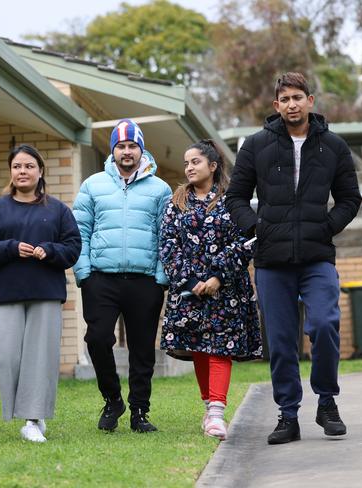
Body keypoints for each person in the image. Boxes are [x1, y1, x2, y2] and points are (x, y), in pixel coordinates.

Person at [225, 72, 362, 444]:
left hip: (317, 257)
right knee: (283, 341)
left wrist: (325, 227)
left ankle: (327, 401)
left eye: (298, 97)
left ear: (310, 101)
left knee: (323, 324)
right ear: (276, 106)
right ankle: (287, 415)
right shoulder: (256, 145)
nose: (292, 104)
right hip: (272, 260)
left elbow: (351, 198)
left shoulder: (333, 146)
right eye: (284, 99)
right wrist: (256, 228)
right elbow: (235, 197)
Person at [0, 144, 81, 443]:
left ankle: (32, 418)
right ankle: (25, 412)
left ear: (40, 171)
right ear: (11, 172)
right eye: (17, 166)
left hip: (45, 293)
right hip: (5, 294)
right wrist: (9, 247)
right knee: (6, 357)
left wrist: (50, 251)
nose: (23, 171)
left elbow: (73, 248)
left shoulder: (58, 210)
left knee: (40, 357)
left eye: (29, 166)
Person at [159, 139, 263, 440]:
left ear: (213, 166)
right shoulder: (176, 202)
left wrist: (218, 276)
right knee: (198, 350)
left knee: (220, 349)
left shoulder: (234, 200)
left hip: (226, 290)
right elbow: (168, 245)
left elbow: (247, 241)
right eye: (187, 162)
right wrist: (190, 281)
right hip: (188, 290)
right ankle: (209, 406)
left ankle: (217, 412)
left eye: (196, 162)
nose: (189, 167)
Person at [73, 119, 172, 433]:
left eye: (132, 146)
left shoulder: (160, 189)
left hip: (145, 281)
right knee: (97, 338)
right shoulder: (93, 185)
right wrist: (84, 273)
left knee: (143, 349)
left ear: (141, 150)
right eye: (121, 146)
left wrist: (161, 277)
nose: (126, 152)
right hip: (101, 279)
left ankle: (139, 412)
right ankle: (112, 399)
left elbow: (166, 236)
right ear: (113, 150)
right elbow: (80, 232)